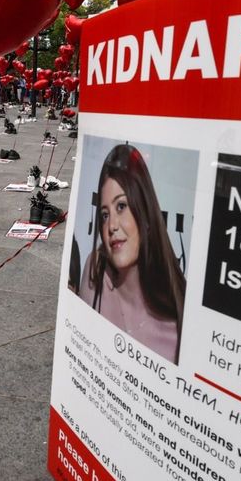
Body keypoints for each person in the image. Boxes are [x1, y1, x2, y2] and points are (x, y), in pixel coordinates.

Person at [79, 144, 185, 363]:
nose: (112, 226)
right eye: (105, 214)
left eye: (121, 206)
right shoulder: (95, 272)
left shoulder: (176, 327)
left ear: (145, 214)